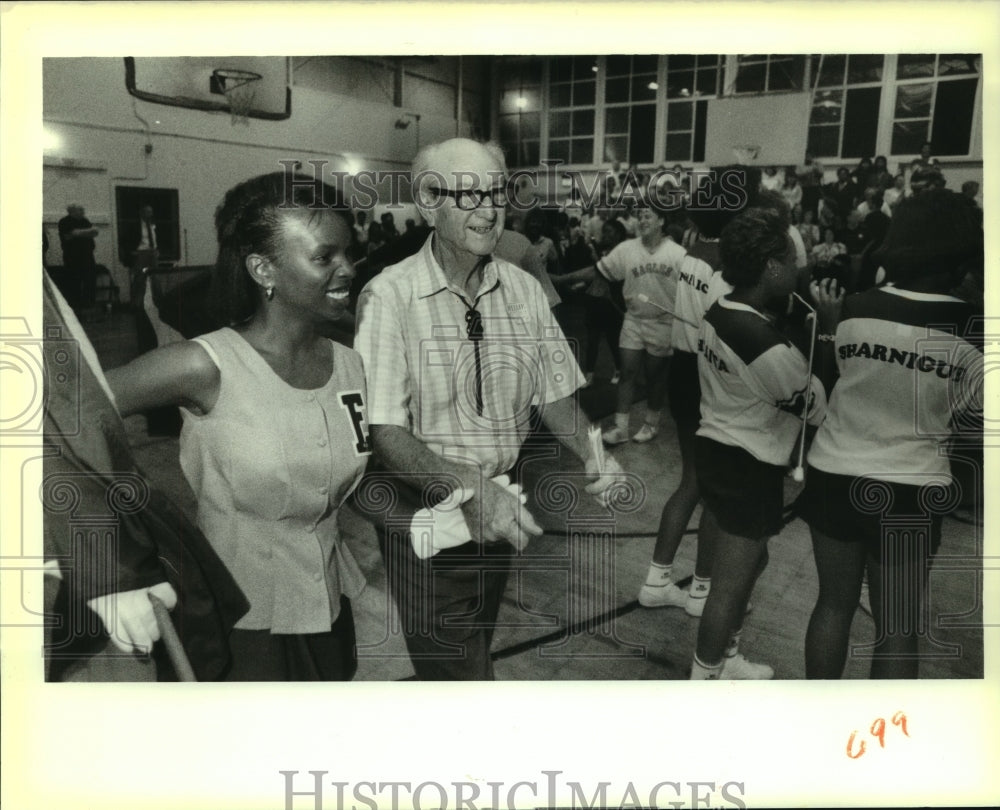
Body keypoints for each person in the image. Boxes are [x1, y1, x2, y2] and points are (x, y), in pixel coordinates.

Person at [353, 137, 623, 680]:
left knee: (475, 641)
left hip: (501, 507)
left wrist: (594, 452)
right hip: (428, 514)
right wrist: (469, 489)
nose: (489, 209)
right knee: (453, 670)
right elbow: (383, 429)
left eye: (497, 192)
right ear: (429, 204)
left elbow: (554, 394)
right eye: (469, 195)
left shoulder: (521, 290)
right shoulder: (391, 297)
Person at [105, 171, 372, 681]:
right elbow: (59, 418)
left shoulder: (350, 365)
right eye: (324, 257)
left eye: (349, 254)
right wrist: (114, 557)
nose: (347, 270)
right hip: (237, 625)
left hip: (331, 613)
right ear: (262, 269)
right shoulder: (201, 365)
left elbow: (349, 480)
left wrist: (437, 514)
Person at [798, 189, 983, 679]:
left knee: (832, 606)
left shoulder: (855, 307)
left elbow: (835, 383)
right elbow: (971, 423)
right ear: (963, 253)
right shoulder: (973, 330)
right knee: (897, 627)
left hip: (835, 473)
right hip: (912, 489)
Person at [689, 208, 841, 679]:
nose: (800, 270)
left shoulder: (722, 308)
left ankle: (727, 659)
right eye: (793, 262)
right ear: (772, 268)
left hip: (719, 448)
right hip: (746, 463)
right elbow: (817, 406)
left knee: (751, 563)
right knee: (729, 587)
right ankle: (705, 676)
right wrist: (830, 327)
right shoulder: (761, 340)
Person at [637, 167, 758, 616]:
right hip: (712, 379)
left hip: (684, 372)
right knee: (715, 491)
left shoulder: (692, 252)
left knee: (692, 482)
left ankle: (657, 579)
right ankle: (704, 592)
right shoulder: (725, 263)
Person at [553, 195, 687, 445]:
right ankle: (621, 427)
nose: (643, 219)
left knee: (655, 376)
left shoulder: (678, 254)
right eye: (640, 215)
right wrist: (562, 280)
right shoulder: (626, 249)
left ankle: (651, 423)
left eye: (649, 215)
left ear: (661, 220)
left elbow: (691, 292)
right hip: (633, 320)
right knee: (627, 372)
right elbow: (597, 271)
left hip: (663, 323)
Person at [58, 203, 98, 312]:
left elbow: (94, 232)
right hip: (72, 257)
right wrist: (84, 232)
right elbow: (70, 235)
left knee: (89, 281)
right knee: (74, 282)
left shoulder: (85, 221)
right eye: (80, 210)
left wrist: (79, 233)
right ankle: (74, 308)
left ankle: (88, 306)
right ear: (72, 211)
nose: (83, 212)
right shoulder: (64, 222)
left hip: (87, 256)